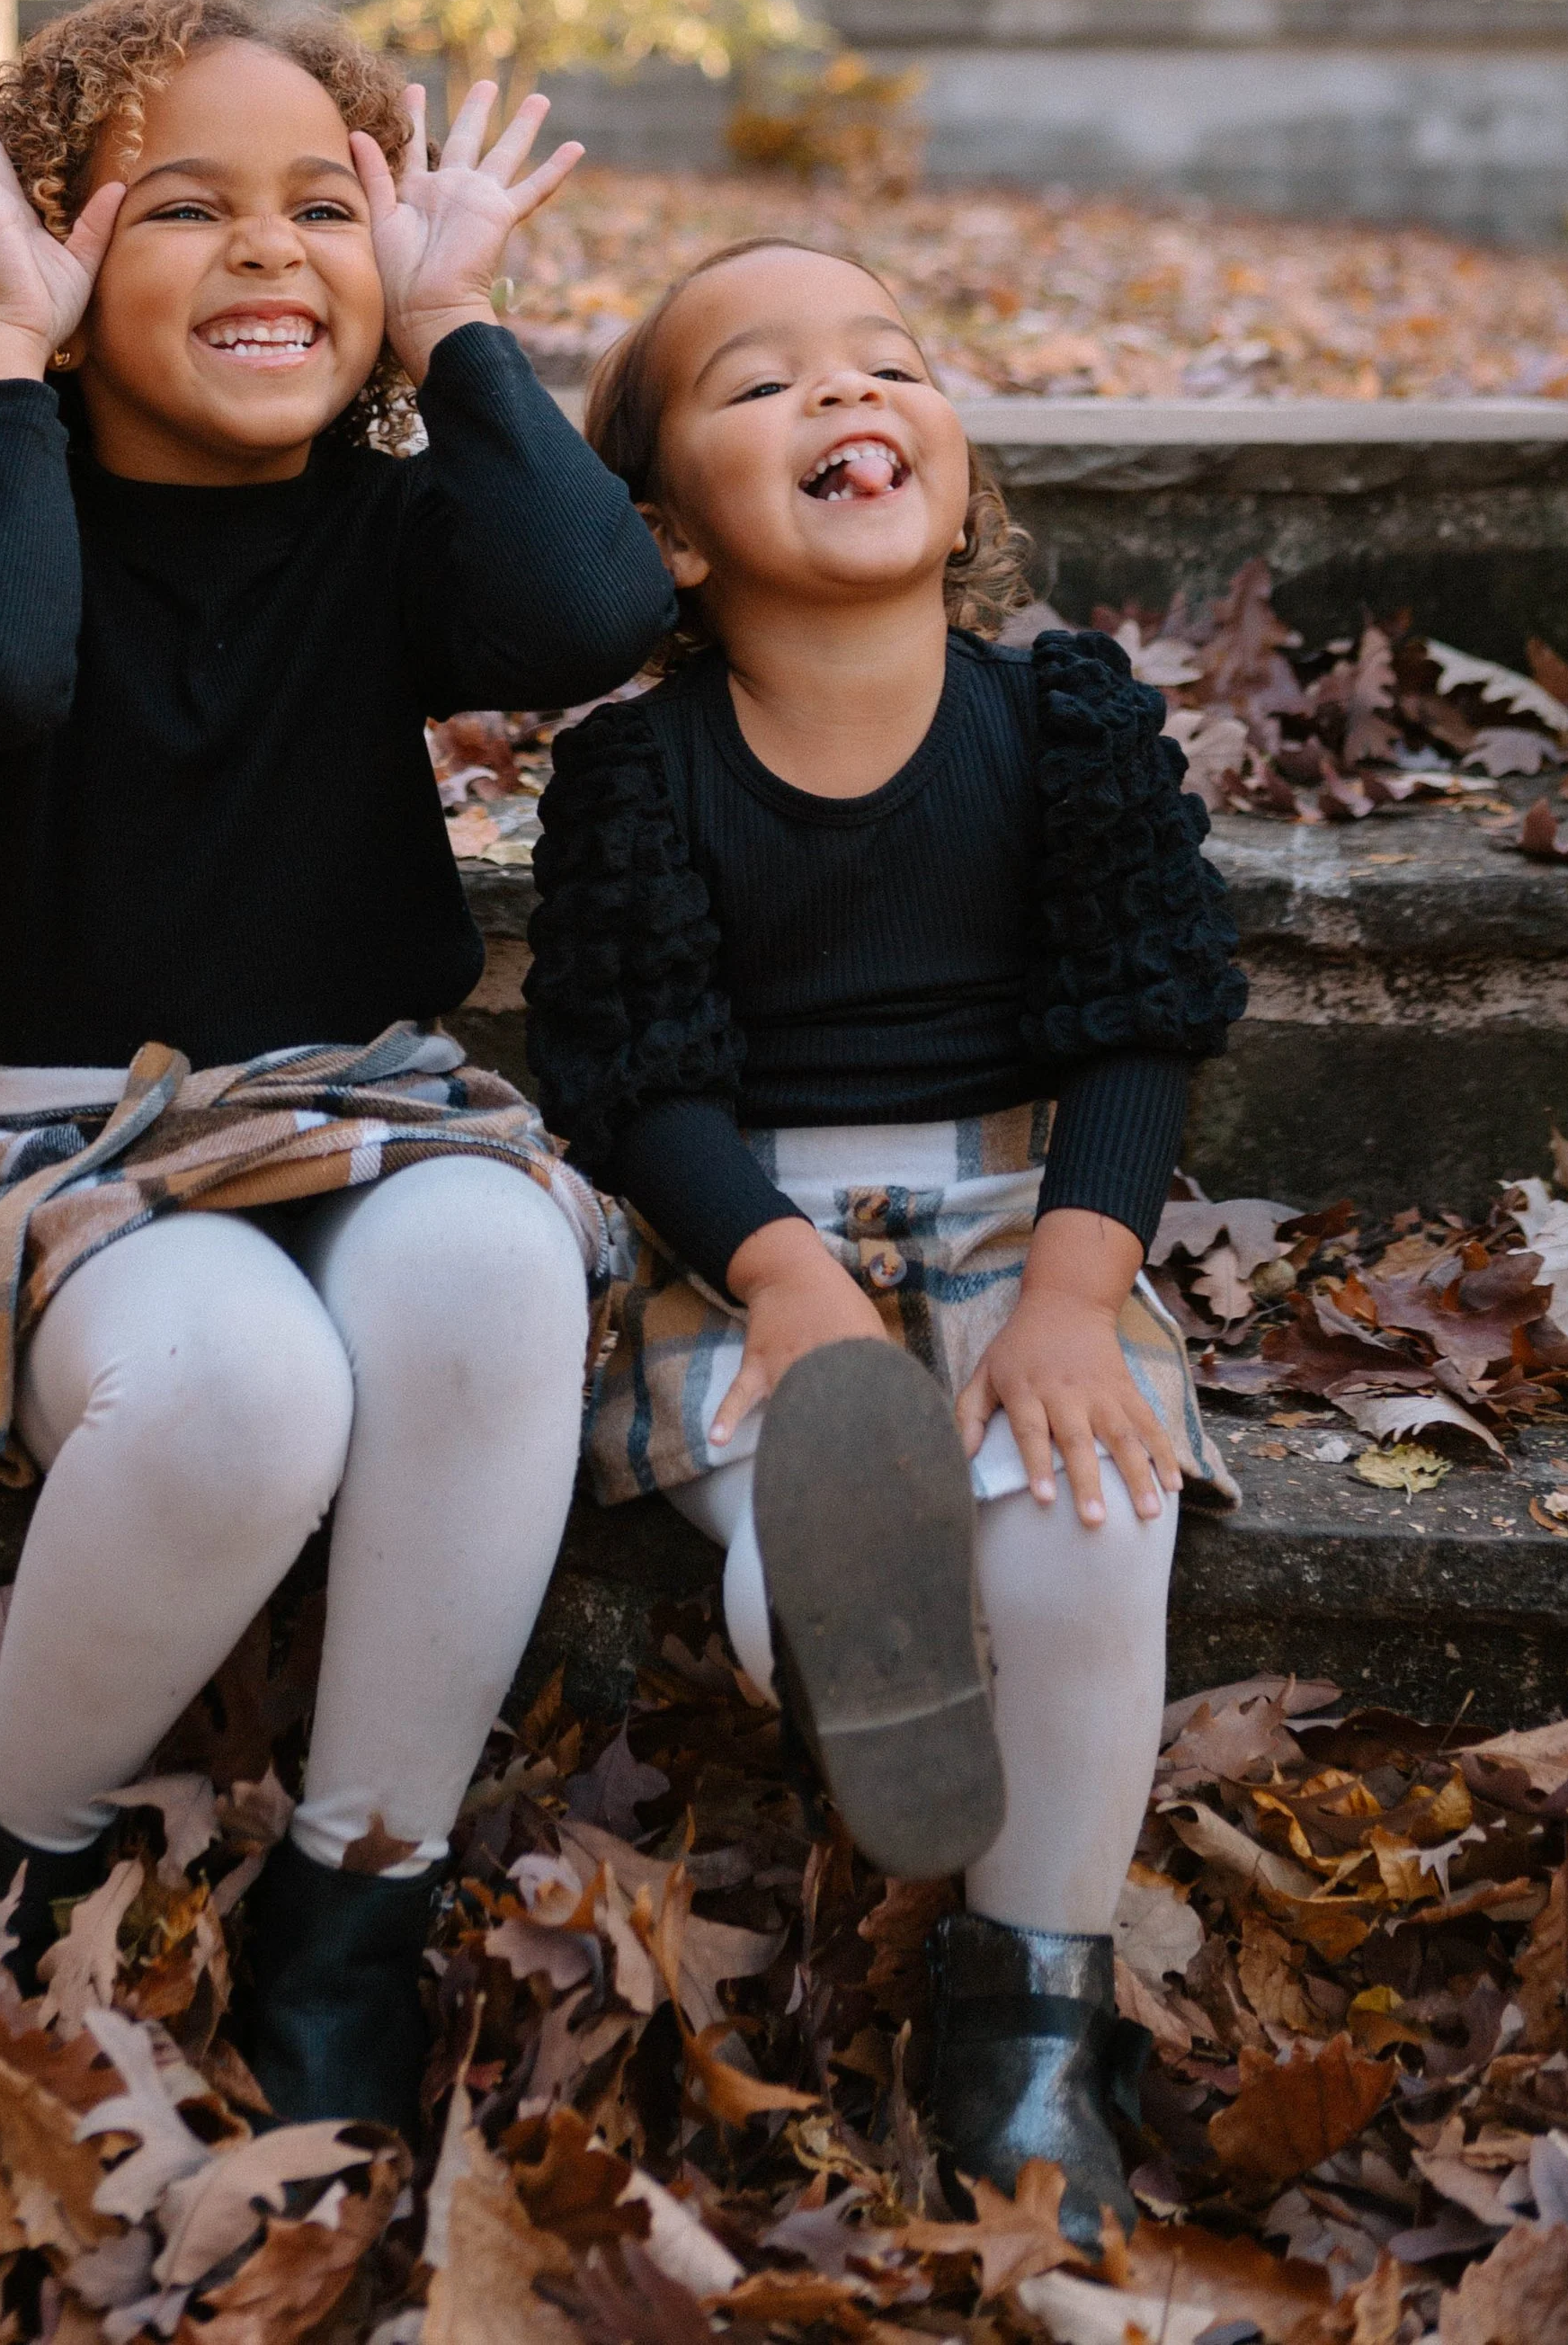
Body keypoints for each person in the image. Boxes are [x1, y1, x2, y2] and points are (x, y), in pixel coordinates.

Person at [0, 0, 673, 2131]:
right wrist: (4, 351)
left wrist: (454, 324)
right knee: (246, 1393)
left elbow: (593, 618)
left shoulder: (385, 530)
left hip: (380, 1114)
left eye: (322, 206)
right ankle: (0, 1851)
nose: (262, 247)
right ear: (55, 263)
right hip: (96, 1153)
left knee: (495, 1263)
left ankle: (351, 1908)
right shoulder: (4, 508)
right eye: (176, 206)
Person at [521, 236, 1245, 2242]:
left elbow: (1138, 1019)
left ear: (951, 457)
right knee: (816, 1508)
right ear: (669, 536)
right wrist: (783, 1273)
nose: (841, 393)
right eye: (760, 385)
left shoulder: (1061, 722)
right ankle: (832, 1603)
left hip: (1024, 1215)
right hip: (747, 1240)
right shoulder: (639, 775)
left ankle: (1029, 2015)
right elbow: (635, 1080)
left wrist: (1078, 1296)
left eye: (884, 363)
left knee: (1089, 1515)